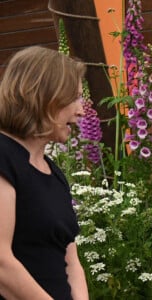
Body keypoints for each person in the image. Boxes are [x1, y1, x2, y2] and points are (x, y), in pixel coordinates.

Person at [0, 46, 89, 299]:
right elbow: (2, 265)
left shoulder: (54, 172)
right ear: (43, 97)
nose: (81, 111)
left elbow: (71, 261)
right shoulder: (3, 157)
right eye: (74, 98)